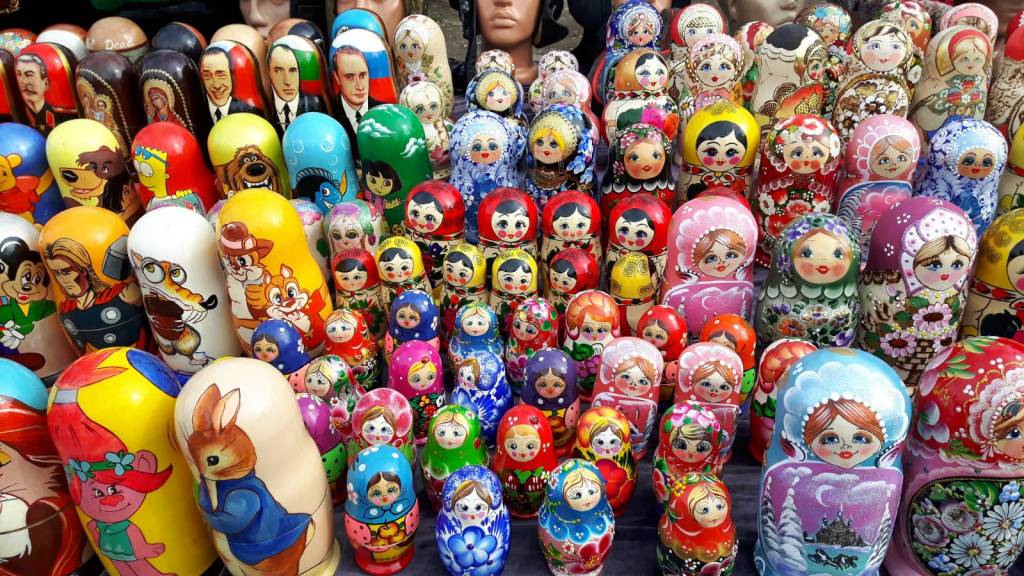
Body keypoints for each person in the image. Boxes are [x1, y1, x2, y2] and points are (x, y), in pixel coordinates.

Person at [332, 46, 380, 157]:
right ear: (336, 78)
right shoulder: (329, 116)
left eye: (363, 75)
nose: (360, 86)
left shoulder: (384, 111)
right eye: (350, 77)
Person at [200, 45, 257, 123]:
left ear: (232, 76)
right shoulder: (197, 114)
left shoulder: (250, 112)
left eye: (221, 75)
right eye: (207, 75)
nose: (216, 85)